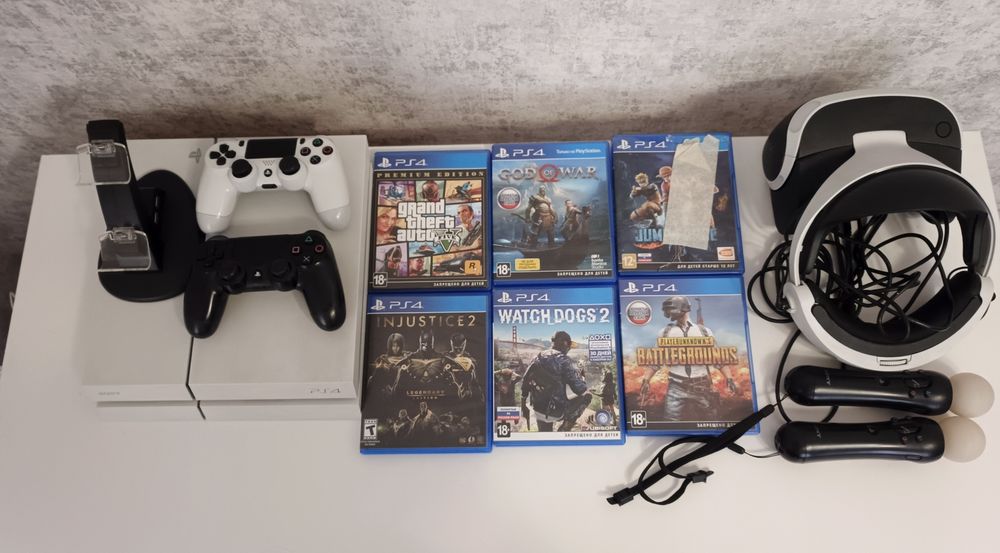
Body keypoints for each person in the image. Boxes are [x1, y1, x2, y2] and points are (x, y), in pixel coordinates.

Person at [639, 296, 739, 422]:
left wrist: (729, 378)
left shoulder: (704, 332)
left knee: (710, 421)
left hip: (702, 387)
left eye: (672, 308)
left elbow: (718, 360)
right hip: (676, 387)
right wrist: (646, 380)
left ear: (683, 308)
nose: (669, 313)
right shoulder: (665, 333)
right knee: (671, 422)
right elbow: (655, 361)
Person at [520, 331, 592, 432]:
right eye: (569, 345)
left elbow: (525, 381)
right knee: (587, 396)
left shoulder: (537, 357)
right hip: (556, 412)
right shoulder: (564, 360)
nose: (569, 349)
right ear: (565, 343)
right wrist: (582, 378)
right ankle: (564, 429)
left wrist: (523, 405)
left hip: (538, 409)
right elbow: (579, 389)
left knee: (545, 433)